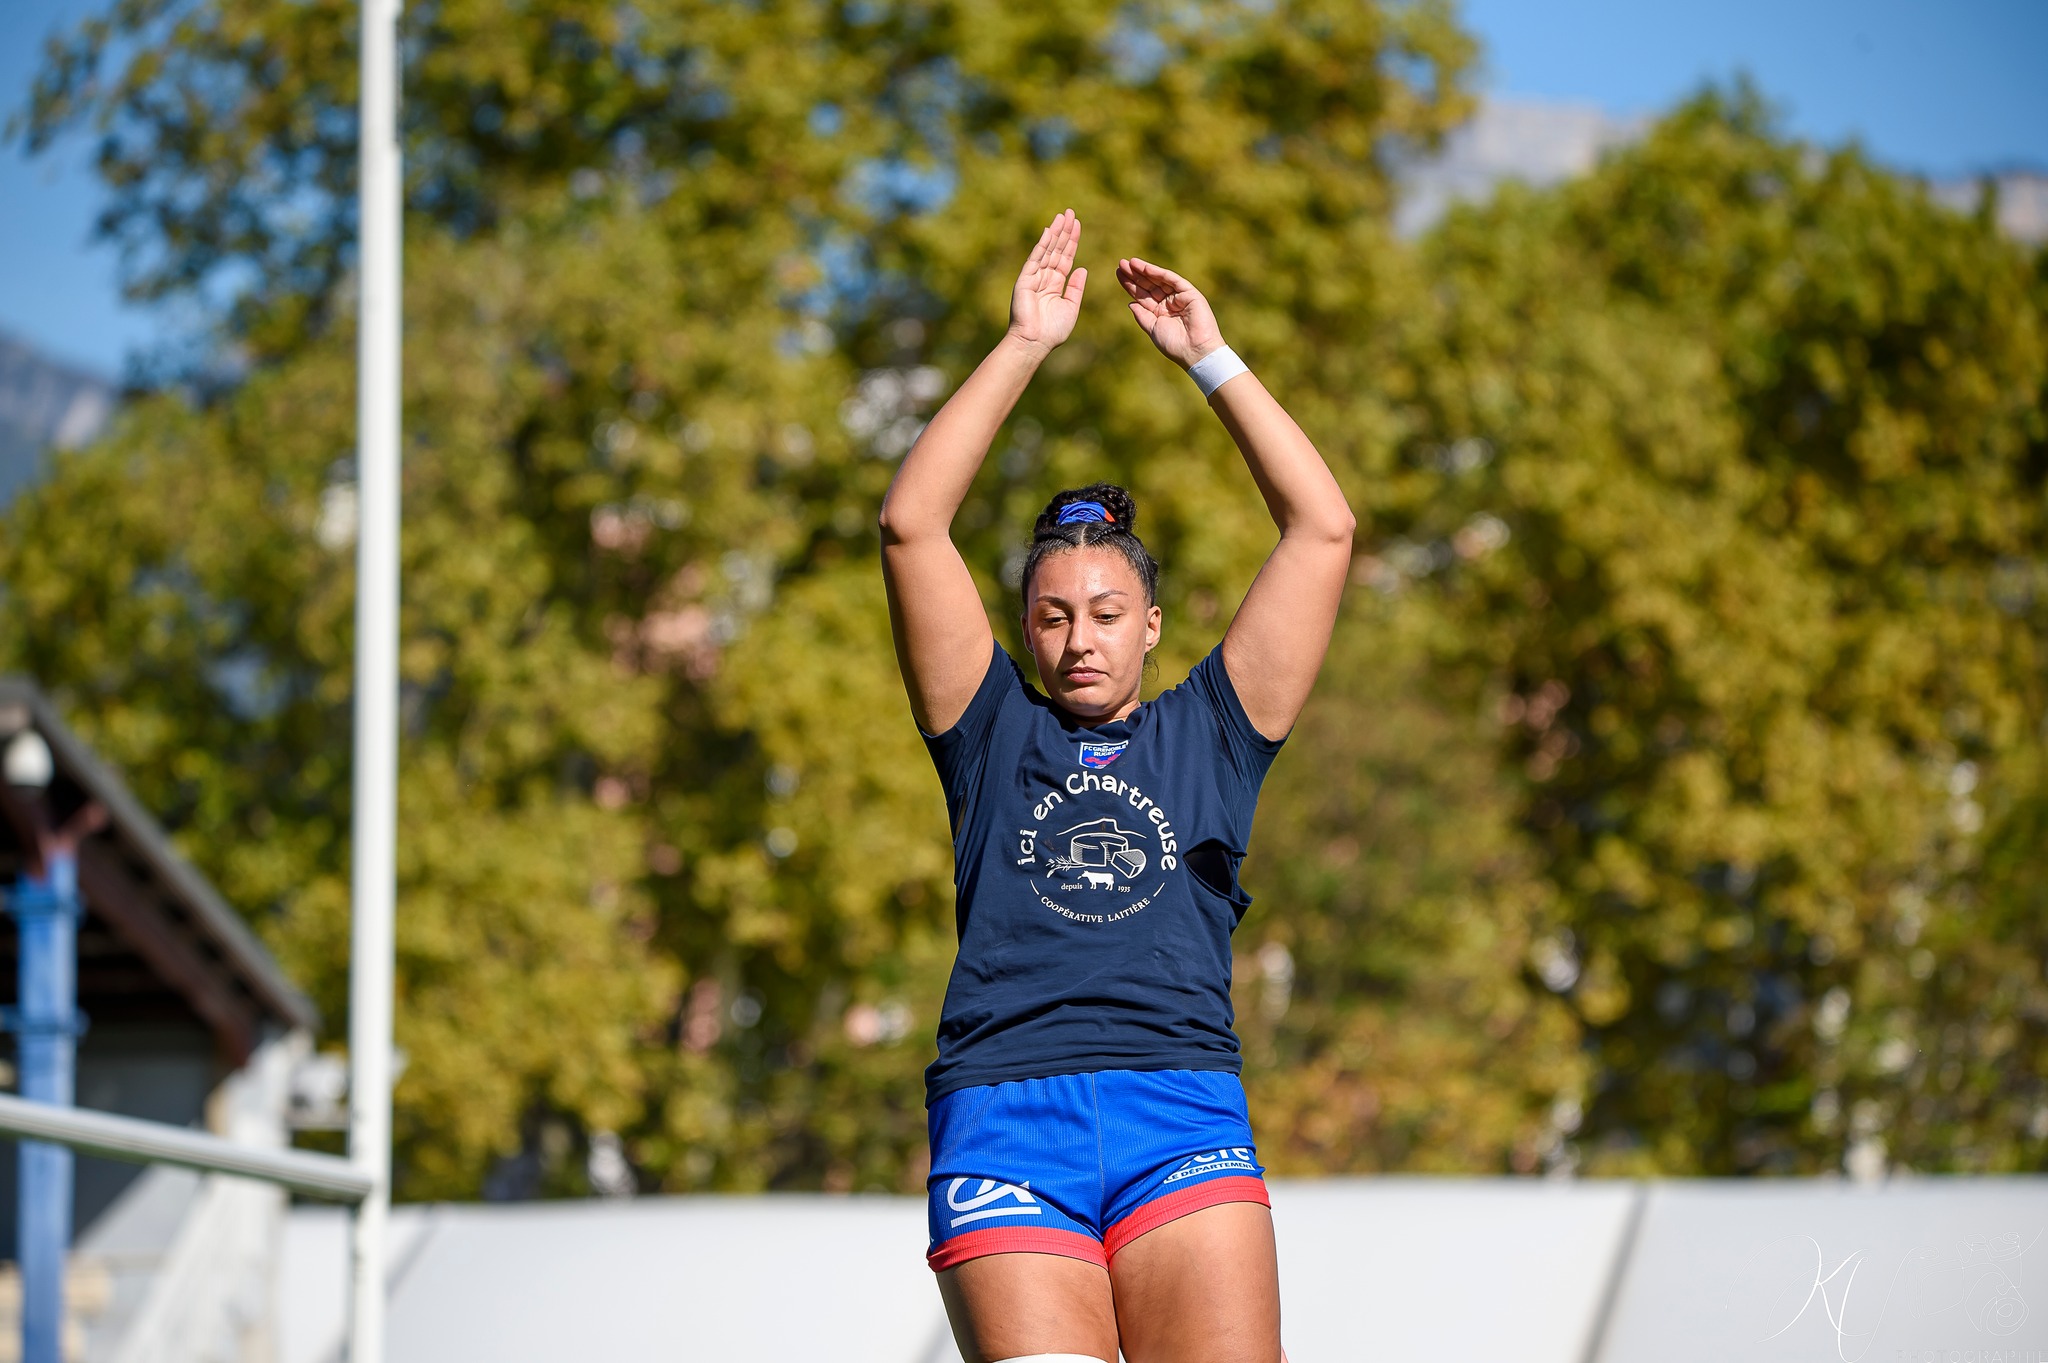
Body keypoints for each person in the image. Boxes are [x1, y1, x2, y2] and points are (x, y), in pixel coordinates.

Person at [878, 209, 1353, 1363]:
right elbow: (909, 524)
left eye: (1103, 615)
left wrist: (1210, 359)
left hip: (1179, 1113)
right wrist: (1025, 344)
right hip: (1003, 1125)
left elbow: (1321, 527)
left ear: (1151, 624)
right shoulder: (986, 732)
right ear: (1024, 634)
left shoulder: (1215, 732)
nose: (1078, 639)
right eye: (1050, 617)